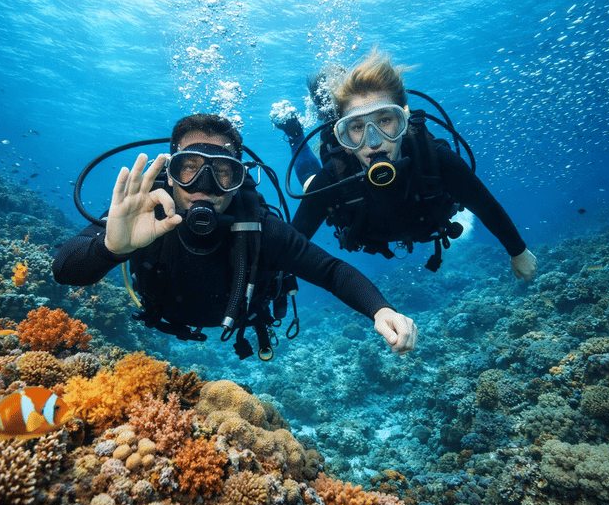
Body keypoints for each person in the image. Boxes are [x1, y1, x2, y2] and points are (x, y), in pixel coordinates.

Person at [53, 114, 418, 361]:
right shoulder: (142, 211)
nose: (204, 186)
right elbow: (65, 271)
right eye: (189, 169)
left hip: (245, 320)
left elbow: (331, 271)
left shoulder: (259, 227)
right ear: (171, 172)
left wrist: (380, 308)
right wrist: (111, 248)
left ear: (240, 179)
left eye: (223, 173)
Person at [291, 50, 538, 280]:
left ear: (404, 122)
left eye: (385, 120)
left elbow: (484, 204)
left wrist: (518, 251)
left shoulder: (434, 158)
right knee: (311, 184)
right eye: (357, 127)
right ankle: (294, 134)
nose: (374, 142)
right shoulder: (335, 175)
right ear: (344, 140)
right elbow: (292, 243)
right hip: (356, 211)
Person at [271, 64, 344, 192]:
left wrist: (296, 139)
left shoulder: (329, 132)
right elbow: (313, 185)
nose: (320, 116)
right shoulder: (328, 134)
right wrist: (296, 137)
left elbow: (313, 186)